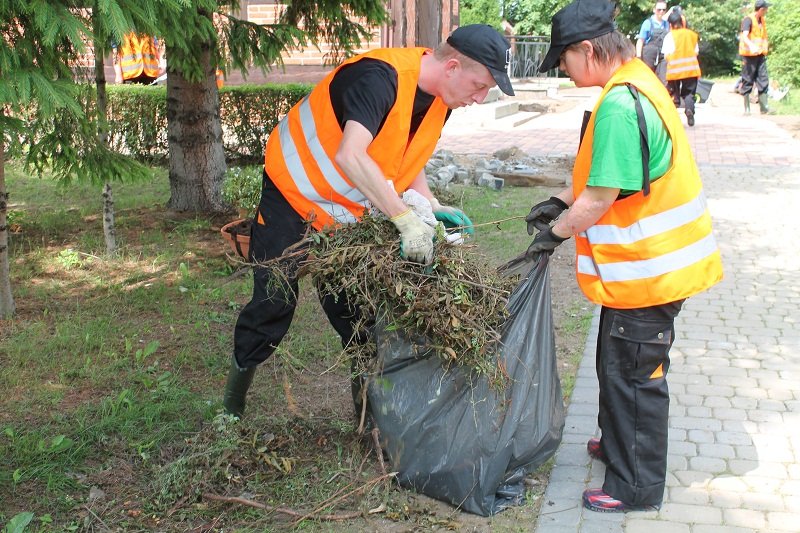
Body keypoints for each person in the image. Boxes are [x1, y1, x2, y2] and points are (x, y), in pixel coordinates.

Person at [222, 25, 514, 420]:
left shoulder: (441, 100)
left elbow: (409, 155)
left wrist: (429, 203)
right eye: (479, 86)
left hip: (348, 207)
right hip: (295, 194)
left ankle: (368, 418)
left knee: (356, 310)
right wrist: (405, 220)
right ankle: (231, 409)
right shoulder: (378, 78)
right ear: (452, 66)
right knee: (274, 301)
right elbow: (351, 155)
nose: (480, 98)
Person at [524, 0, 723, 513]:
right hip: (644, 272)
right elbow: (606, 176)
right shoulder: (637, 80)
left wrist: (555, 233)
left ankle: (633, 487)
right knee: (615, 365)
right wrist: (559, 204)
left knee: (634, 378)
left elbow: (600, 198)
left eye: (562, 60)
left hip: (649, 274)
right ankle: (617, 444)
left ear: (587, 51)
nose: (562, 71)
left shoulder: (617, 104)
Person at [662, 8, 701, 126]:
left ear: (670, 24)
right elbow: (696, 52)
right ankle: (689, 110)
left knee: (674, 94)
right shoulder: (692, 35)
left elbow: (666, 55)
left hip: (674, 71)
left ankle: (673, 119)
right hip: (691, 70)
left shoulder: (670, 36)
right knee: (689, 93)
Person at [739, 0, 771, 114]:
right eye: (766, 9)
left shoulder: (762, 20)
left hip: (760, 54)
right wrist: (752, 46)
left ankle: (764, 107)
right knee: (747, 80)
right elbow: (745, 36)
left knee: (763, 79)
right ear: (761, 9)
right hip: (749, 56)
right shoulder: (748, 20)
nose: (767, 11)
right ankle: (747, 109)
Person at [636, 0, 669, 80]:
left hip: (662, 55)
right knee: (647, 79)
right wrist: (638, 57)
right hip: (649, 55)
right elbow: (640, 41)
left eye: (663, 10)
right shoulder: (647, 23)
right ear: (654, 10)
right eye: (659, 9)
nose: (661, 12)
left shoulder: (667, 24)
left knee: (663, 80)